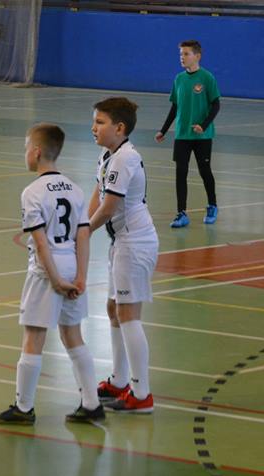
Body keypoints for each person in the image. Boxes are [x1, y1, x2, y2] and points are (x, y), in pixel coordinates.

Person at [0, 123, 103, 425]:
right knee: (72, 334)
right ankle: (92, 403)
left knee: (33, 336)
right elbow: (83, 235)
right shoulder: (75, 189)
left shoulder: (32, 193)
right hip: (72, 264)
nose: (25, 153)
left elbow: (41, 243)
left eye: (26, 147)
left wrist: (55, 280)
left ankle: (23, 407)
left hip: (47, 271)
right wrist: (81, 277)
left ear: (37, 152)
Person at [88, 97, 158, 414]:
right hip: (121, 243)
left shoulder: (125, 159)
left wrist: (83, 234)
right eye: (94, 121)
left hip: (135, 243)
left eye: (100, 122)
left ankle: (141, 393)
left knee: (128, 314)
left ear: (119, 128)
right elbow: (97, 195)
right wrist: (81, 225)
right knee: (113, 308)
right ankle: (118, 381)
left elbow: (108, 208)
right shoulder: (107, 156)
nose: (94, 128)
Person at [156, 40, 221, 229]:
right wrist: (163, 130)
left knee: (204, 171)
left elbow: (216, 105)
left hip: (202, 136)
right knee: (180, 173)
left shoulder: (207, 78)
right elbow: (174, 107)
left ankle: (212, 205)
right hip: (182, 135)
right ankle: (181, 213)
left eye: (186, 54)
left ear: (197, 56)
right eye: (181, 54)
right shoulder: (179, 79)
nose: (182, 58)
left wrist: (204, 125)